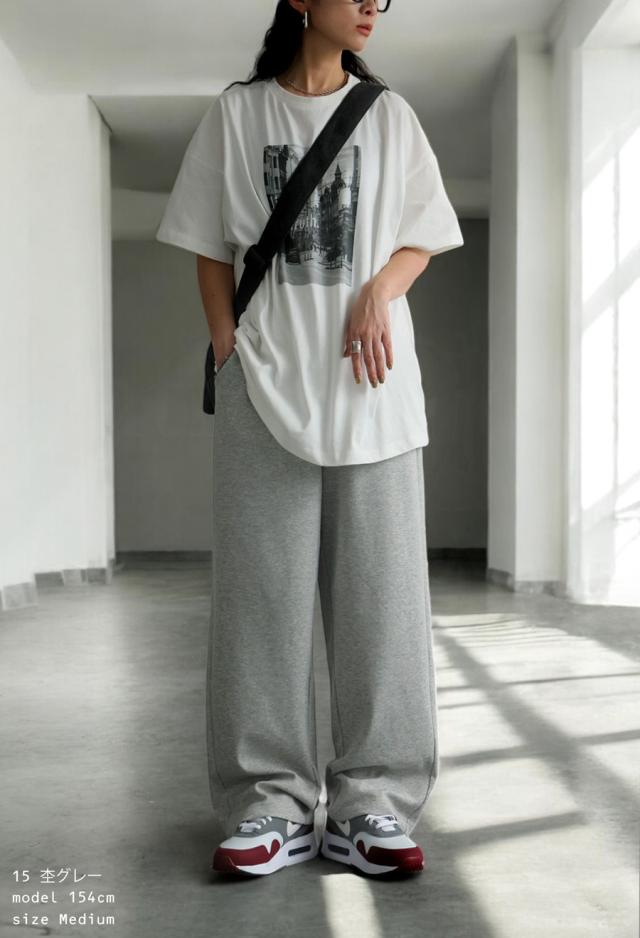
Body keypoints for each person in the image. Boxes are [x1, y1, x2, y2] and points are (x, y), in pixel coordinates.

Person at [155, 0, 464, 879]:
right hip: (264, 386)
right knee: (260, 606)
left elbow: (423, 235)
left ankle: (373, 802)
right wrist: (228, 348)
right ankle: (269, 803)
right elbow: (208, 242)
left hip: (374, 393)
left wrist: (378, 292)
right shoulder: (237, 114)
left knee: (383, 607)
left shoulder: (389, 116)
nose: (372, 5)